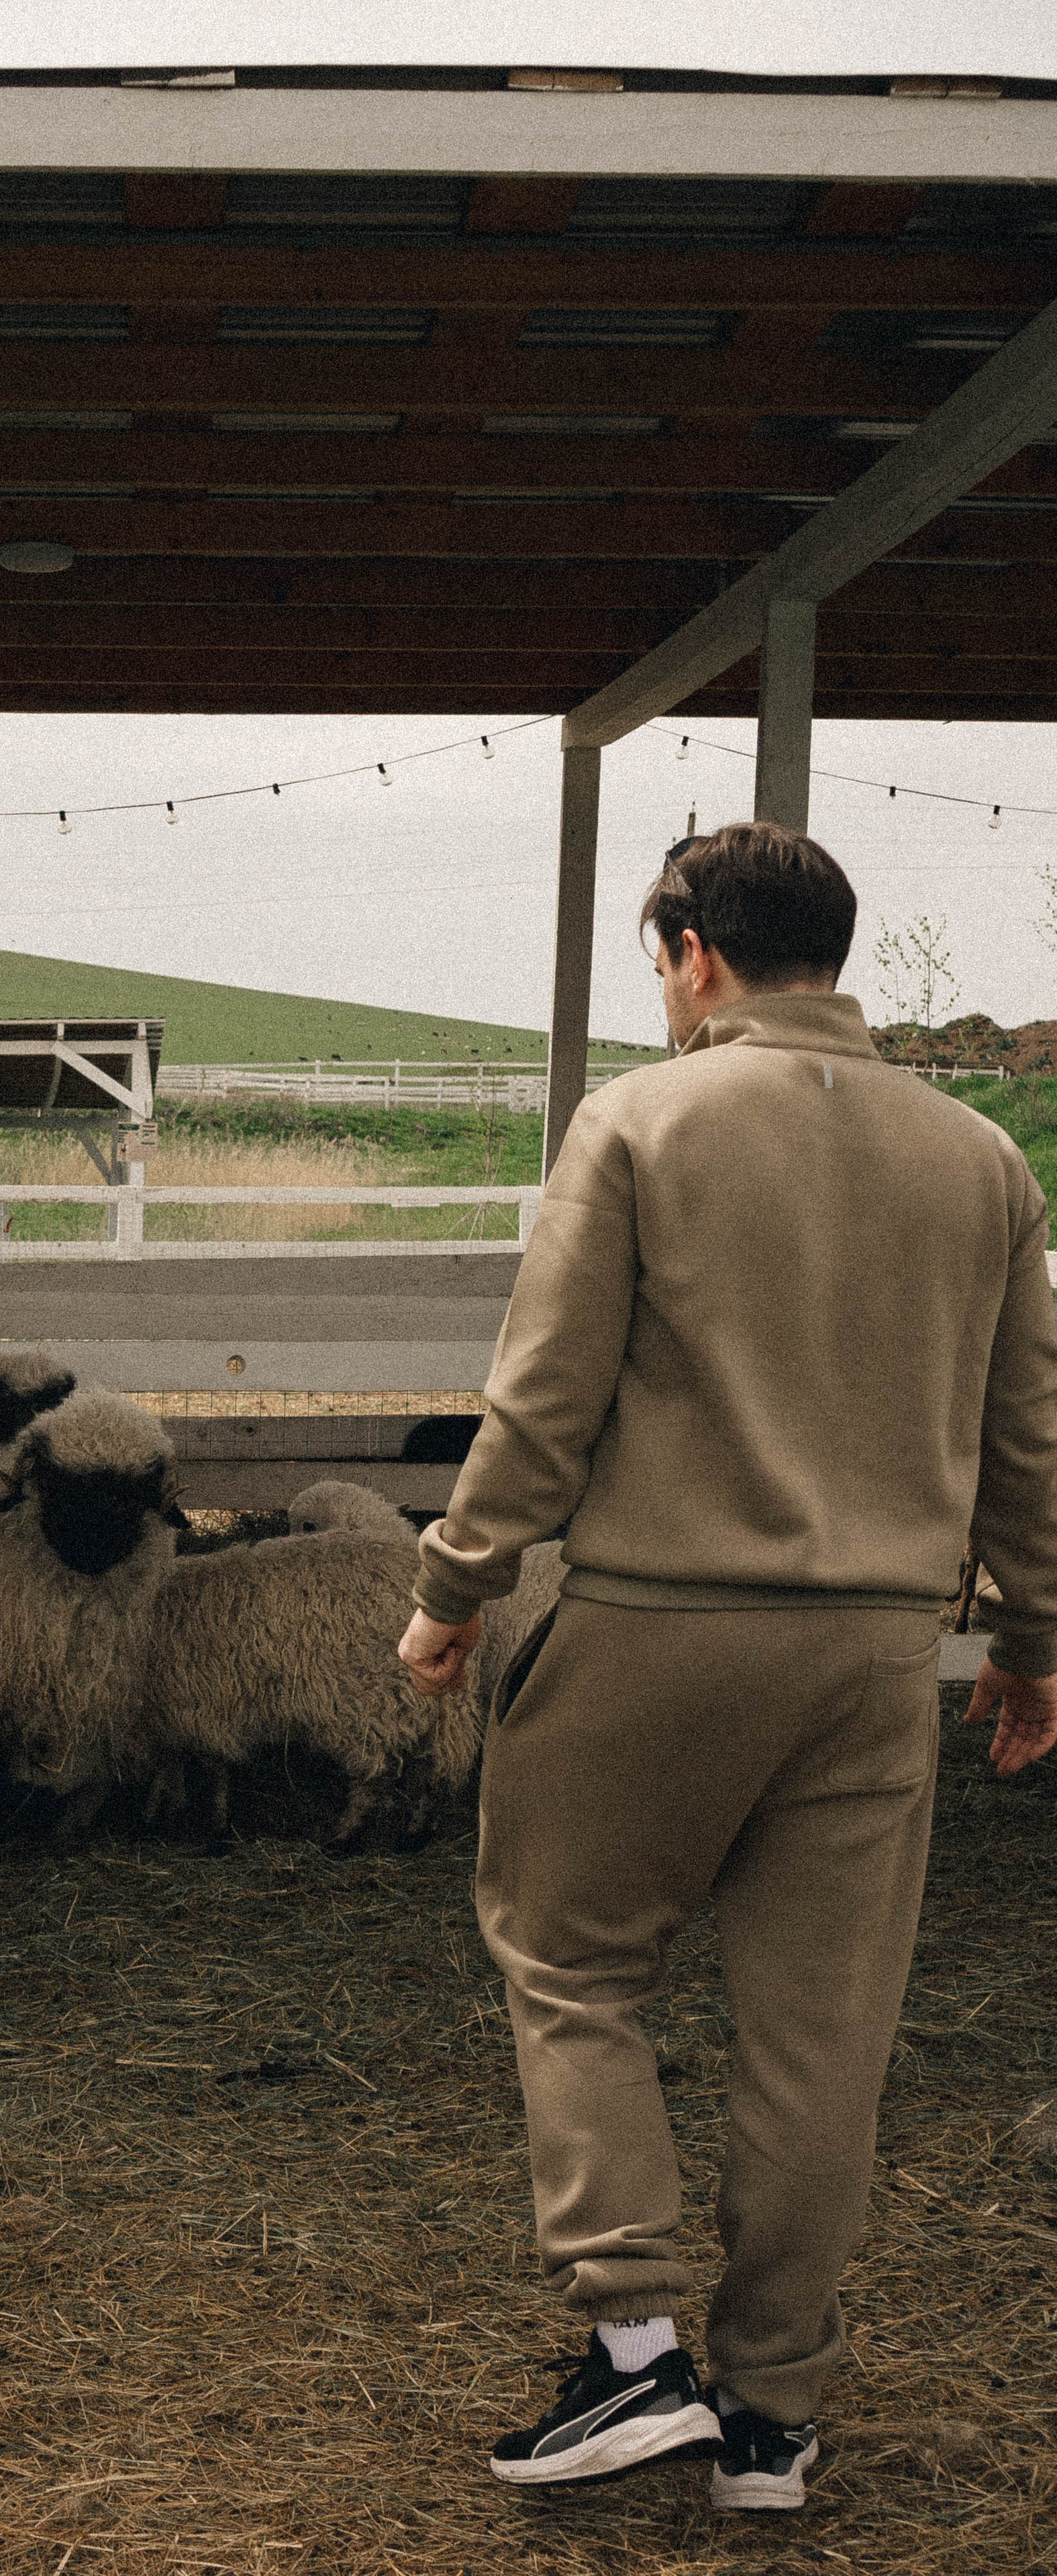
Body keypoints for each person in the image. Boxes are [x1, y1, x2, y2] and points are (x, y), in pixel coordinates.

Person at [397, 820, 1057, 2512]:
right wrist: (1035, 1639)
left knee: (567, 1958)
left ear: (688, 949)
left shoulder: (638, 1122)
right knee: (820, 2035)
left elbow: (544, 1397)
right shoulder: (978, 1161)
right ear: (828, 952)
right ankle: (769, 2416)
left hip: (657, 1627)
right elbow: (1024, 1441)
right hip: (870, 1661)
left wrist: (452, 1585)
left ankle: (633, 2356)